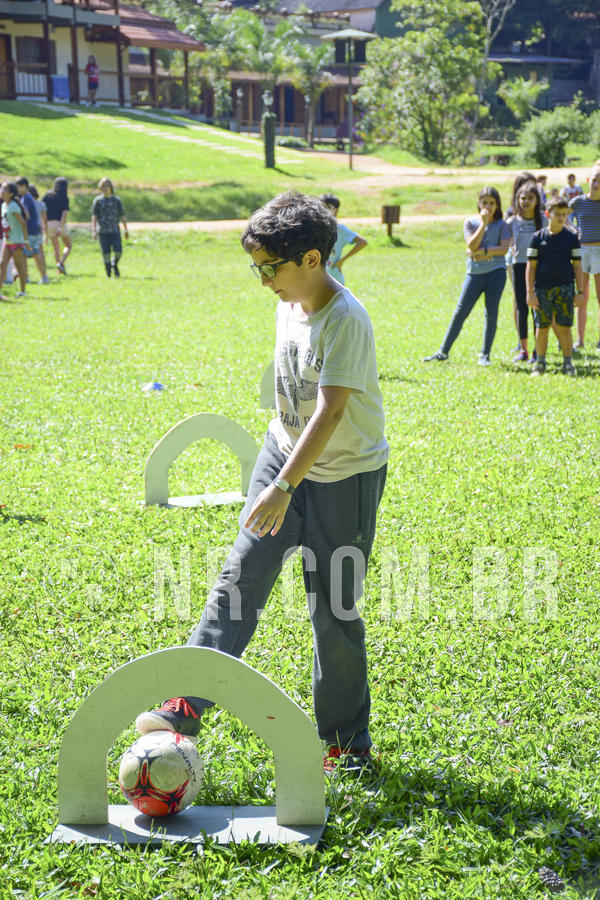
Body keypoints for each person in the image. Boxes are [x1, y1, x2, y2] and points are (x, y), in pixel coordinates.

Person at [135, 191, 389, 771]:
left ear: (312, 260)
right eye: (258, 268)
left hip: (344, 477)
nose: (264, 280)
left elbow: (330, 413)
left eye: (270, 268)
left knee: (333, 608)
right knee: (241, 574)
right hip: (282, 456)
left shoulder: (345, 319)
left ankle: (347, 744)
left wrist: (284, 488)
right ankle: (185, 704)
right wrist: (278, 476)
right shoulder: (289, 302)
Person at [424, 187, 510, 366]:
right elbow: (471, 245)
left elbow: (503, 249)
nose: (488, 206)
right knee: (460, 312)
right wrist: (483, 225)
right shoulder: (470, 222)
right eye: (485, 202)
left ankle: (485, 354)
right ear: (479, 203)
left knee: (491, 314)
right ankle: (443, 352)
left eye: (492, 203)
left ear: (497, 205)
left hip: (496, 273)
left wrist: (483, 252)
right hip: (475, 274)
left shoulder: (503, 225)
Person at [527, 196, 583, 377]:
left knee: (565, 327)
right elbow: (531, 266)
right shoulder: (537, 238)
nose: (561, 217)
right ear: (547, 214)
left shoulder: (572, 238)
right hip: (542, 289)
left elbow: (577, 265)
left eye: (564, 214)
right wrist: (530, 292)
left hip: (565, 288)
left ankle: (568, 364)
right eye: (557, 214)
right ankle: (540, 364)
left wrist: (580, 291)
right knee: (542, 327)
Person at [507, 181, 543, 362]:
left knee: (537, 308)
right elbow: (502, 239)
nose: (526, 201)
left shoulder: (543, 220)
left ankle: (538, 350)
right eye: (523, 198)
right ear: (517, 200)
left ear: (537, 200)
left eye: (530, 198)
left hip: (539, 267)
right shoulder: (512, 222)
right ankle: (523, 350)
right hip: (519, 266)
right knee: (521, 307)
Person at [568, 163, 600, 349]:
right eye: (594, 180)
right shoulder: (578, 202)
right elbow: (562, 216)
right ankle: (580, 339)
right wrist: (573, 231)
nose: (597, 184)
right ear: (588, 180)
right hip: (582, 252)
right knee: (581, 297)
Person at [319, 194, 367, 286]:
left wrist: (341, 261)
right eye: (322, 207)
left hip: (334, 278)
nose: (325, 211)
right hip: (317, 280)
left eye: (330, 208)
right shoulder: (314, 229)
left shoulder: (340, 229)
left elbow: (362, 242)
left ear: (337, 210)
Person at [91, 177, 129, 277]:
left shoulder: (116, 200)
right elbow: (94, 216)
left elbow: (122, 215)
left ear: (111, 187)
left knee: (118, 251)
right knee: (106, 253)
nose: (104, 188)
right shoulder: (98, 201)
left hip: (115, 230)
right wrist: (94, 230)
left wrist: (126, 229)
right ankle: (109, 273)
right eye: (103, 186)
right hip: (103, 232)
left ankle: (114, 264)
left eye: (106, 186)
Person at [0, 182, 30, 300]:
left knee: (19, 266)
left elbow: (23, 223)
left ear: (11, 193)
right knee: (2, 265)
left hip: (16, 242)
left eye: (5, 190)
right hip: (7, 241)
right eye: (2, 189)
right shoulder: (4, 205)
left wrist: (26, 241)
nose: (2, 191)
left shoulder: (13, 206)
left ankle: (23, 291)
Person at [16, 176, 47, 285]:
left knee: (31, 254)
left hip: (30, 230)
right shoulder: (27, 197)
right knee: (34, 253)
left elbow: (27, 215)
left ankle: (32, 277)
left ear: (24, 186)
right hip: (33, 229)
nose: (17, 190)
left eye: (18, 187)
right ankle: (41, 277)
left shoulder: (26, 198)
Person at [43, 177, 71, 275]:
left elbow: (43, 211)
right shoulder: (64, 198)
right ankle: (61, 263)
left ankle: (58, 268)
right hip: (60, 223)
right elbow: (64, 214)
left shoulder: (47, 196)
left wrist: (44, 225)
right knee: (68, 245)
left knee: (56, 247)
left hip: (49, 224)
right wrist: (60, 227)